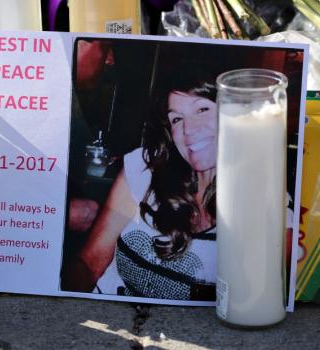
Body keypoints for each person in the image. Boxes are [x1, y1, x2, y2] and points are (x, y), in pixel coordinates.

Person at [63, 67, 218, 301]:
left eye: (202, 109)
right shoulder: (145, 168)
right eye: (176, 118)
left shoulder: (265, 206)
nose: (188, 129)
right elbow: (90, 262)